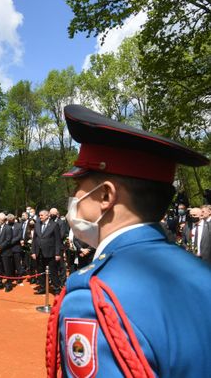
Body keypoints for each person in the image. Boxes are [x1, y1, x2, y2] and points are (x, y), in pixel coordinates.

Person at [47, 104, 211, 377]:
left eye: (78, 186)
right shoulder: (201, 272)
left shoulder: (93, 300)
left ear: (105, 196)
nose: (73, 197)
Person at [31, 209, 62, 295]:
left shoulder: (54, 225)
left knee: (53, 271)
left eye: (41, 215)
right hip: (38, 252)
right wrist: (33, 251)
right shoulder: (37, 225)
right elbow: (34, 239)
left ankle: (56, 289)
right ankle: (43, 287)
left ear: (47, 215)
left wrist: (57, 253)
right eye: (39, 215)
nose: (40, 217)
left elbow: (58, 240)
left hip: (50, 253)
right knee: (40, 271)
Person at [0, 213, 13, 292]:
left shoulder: (8, 228)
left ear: (2, 220)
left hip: (5, 252)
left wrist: (0, 247)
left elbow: (8, 240)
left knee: (7, 269)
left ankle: (8, 284)